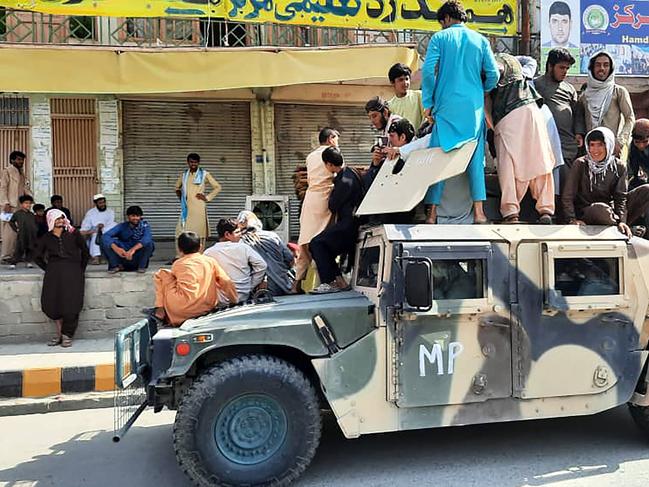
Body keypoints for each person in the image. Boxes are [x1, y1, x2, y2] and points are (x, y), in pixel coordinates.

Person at [421, 0, 499, 224]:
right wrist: (480, 90)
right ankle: (479, 212)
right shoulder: (481, 40)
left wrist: (428, 101)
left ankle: (432, 213)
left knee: (439, 159)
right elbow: (493, 74)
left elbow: (428, 71)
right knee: (475, 159)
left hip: (445, 107)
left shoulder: (440, 38)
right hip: (473, 110)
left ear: (445, 19)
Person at [486, 54, 556, 223]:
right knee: (540, 158)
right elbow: (531, 60)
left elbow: (488, 92)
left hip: (508, 116)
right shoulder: (514, 62)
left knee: (508, 163)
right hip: (532, 111)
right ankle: (546, 210)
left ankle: (511, 212)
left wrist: (492, 126)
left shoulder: (490, 65)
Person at [562, 127, 649, 237]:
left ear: (608, 145)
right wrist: (572, 219)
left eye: (600, 145)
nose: (595, 150)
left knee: (646, 190)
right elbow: (568, 196)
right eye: (592, 145)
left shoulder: (619, 166)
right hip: (588, 211)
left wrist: (622, 220)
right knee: (600, 209)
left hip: (611, 212)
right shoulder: (580, 164)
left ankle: (622, 226)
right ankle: (623, 229)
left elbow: (621, 197)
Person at [152, 231, 238, 326]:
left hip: (179, 310)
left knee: (162, 274)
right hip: (205, 308)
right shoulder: (210, 261)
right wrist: (234, 301)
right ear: (200, 247)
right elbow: (225, 281)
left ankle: (160, 309)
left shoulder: (178, 264)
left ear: (179, 249)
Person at [310, 147, 365, 294]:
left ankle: (329, 282)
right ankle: (339, 281)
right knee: (322, 247)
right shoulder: (351, 173)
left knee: (316, 244)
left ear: (328, 164)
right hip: (352, 224)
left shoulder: (344, 179)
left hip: (348, 226)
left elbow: (333, 205)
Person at [34, 209, 89, 348]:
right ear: (51, 220)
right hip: (54, 273)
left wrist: (80, 269)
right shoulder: (47, 237)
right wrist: (48, 269)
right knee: (53, 302)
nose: (60, 221)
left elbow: (85, 252)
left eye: (62, 218)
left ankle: (67, 335)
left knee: (72, 303)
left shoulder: (73, 233)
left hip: (73, 271)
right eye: (57, 219)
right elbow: (37, 256)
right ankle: (59, 334)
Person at [293, 127, 339, 293]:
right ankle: (327, 281)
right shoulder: (332, 153)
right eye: (336, 139)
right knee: (322, 242)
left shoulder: (310, 156)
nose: (336, 143)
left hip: (310, 199)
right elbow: (338, 173)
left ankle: (296, 283)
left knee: (304, 241)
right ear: (330, 139)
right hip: (325, 198)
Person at [575, 51, 635, 158]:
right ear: (591, 68)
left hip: (612, 149)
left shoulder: (618, 92)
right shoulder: (585, 96)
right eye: (598, 65)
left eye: (606, 65)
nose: (602, 68)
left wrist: (620, 142)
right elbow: (579, 119)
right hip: (591, 150)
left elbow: (630, 118)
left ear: (611, 68)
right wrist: (579, 135)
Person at [534, 48, 580, 169]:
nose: (565, 71)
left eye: (567, 68)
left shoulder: (569, 89)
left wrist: (579, 133)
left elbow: (577, 114)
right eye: (561, 67)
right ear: (550, 66)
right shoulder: (535, 86)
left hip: (566, 148)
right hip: (542, 147)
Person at [204, 218, 267, 303]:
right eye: (237, 232)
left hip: (220, 299)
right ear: (227, 234)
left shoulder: (208, 253)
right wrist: (251, 285)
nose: (240, 235)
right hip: (243, 296)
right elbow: (262, 265)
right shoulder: (244, 248)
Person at [237, 210, 295, 296]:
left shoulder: (241, 242)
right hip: (284, 283)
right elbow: (290, 259)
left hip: (259, 287)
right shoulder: (272, 236)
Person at [175, 153, 222, 250]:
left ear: (198, 163)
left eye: (195, 162)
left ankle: (199, 254)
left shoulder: (205, 174)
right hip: (186, 207)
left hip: (199, 207)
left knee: (200, 232)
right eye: (191, 162)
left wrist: (207, 197)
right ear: (188, 162)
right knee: (180, 231)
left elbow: (218, 187)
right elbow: (176, 187)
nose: (193, 164)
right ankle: (180, 255)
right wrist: (182, 198)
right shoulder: (184, 175)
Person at [102, 205, 155, 274]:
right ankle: (115, 266)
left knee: (149, 243)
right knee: (105, 240)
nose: (135, 218)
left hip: (136, 256)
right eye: (133, 216)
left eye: (137, 216)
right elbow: (105, 236)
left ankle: (141, 267)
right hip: (123, 255)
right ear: (128, 216)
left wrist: (133, 250)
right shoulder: (122, 226)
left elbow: (147, 239)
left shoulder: (145, 226)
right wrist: (117, 249)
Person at [0, 150, 31, 263]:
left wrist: (31, 201)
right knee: (8, 231)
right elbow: (2, 188)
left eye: (22, 159)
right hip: (8, 206)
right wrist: (5, 203)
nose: (21, 161)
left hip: (19, 207)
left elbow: (25, 189)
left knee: (18, 231)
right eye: (18, 159)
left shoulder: (21, 173)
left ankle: (16, 254)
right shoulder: (6, 171)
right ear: (12, 160)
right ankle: (6, 256)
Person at [79, 194, 117, 265]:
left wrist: (103, 226)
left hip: (108, 231)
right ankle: (96, 257)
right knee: (96, 235)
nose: (102, 204)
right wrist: (96, 229)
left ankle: (109, 257)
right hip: (94, 232)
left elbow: (111, 224)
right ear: (95, 203)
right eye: (100, 203)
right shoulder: (90, 213)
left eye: (103, 202)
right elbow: (84, 229)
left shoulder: (110, 212)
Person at [387, 63, 425, 131]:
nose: (405, 83)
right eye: (401, 80)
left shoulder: (419, 96)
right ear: (392, 82)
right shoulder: (390, 105)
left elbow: (426, 119)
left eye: (407, 79)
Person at [8, 195, 37, 268]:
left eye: (30, 203)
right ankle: (13, 263)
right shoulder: (17, 213)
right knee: (19, 248)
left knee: (30, 248)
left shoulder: (31, 214)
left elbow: (35, 223)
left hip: (31, 234)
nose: (28, 205)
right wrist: (16, 229)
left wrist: (35, 230)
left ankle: (28, 261)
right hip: (22, 234)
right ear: (21, 204)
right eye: (26, 203)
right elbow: (11, 222)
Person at [629, 119, 649, 189]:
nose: (641, 146)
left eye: (645, 141)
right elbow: (631, 169)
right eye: (637, 142)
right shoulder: (632, 147)